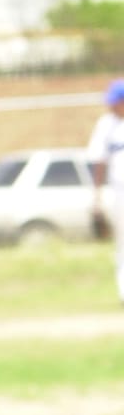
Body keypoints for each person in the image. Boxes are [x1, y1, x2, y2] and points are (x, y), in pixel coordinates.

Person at [88, 77, 124, 300]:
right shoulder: (106, 124)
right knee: (122, 244)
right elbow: (98, 160)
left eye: (115, 101)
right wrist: (96, 198)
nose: (110, 106)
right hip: (120, 193)